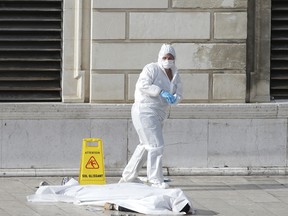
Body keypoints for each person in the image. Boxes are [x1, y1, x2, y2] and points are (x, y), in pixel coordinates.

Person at [119, 44, 183, 189]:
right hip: (145, 110)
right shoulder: (151, 68)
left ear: (174, 59)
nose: (167, 60)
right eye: (165, 57)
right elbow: (142, 84)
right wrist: (160, 91)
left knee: (145, 145)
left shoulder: (175, 74)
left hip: (160, 112)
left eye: (170, 58)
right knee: (156, 145)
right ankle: (155, 180)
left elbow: (179, 92)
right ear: (160, 57)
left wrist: (175, 98)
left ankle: (129, 176)